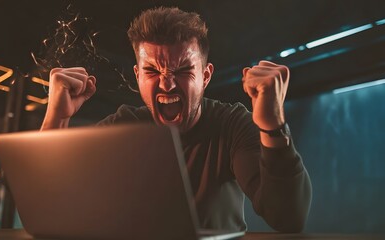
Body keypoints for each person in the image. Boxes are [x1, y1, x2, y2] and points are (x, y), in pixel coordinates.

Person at [41, 6, 312, 233]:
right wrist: (56, 118)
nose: (167, 85)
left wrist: (273, 125)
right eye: (152, 71)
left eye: (183, 70)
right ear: (137, 75)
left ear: (205, 76)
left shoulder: (232, 125)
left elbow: (288, 218)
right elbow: (51, 206)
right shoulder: (122, 127)